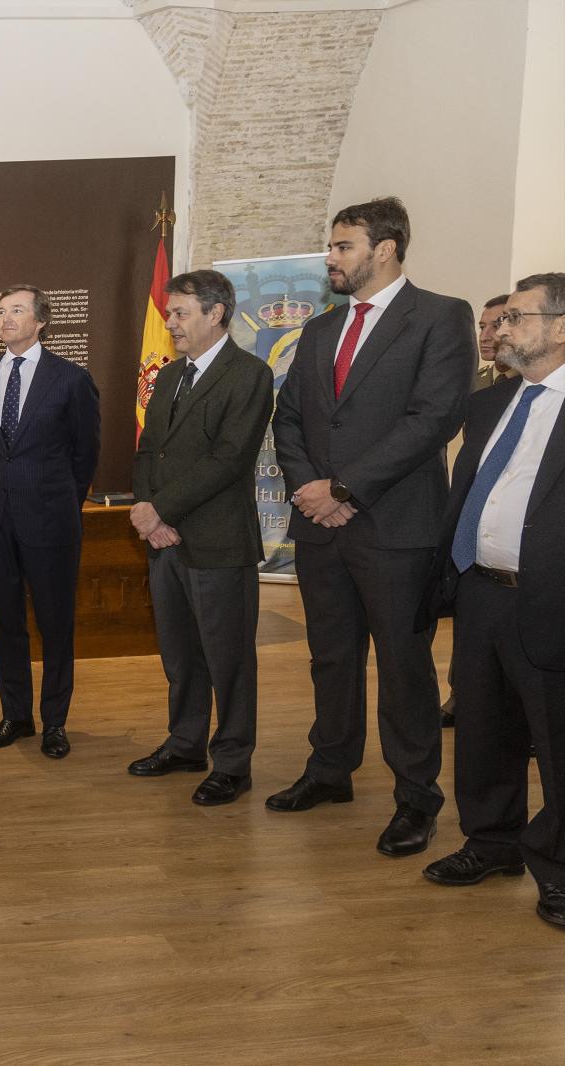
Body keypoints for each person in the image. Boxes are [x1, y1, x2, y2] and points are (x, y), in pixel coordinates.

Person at [267, 197, 476, 858]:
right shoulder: (324, 329)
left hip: (394, 525)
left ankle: (417, 799)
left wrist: (345, 489)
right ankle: (330, 771)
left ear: (384, 248)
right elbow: (290, 417)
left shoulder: (440, 317)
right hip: (323, 527)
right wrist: (310, 491)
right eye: (332, 247)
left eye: (342, 246)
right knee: (331, 658)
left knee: (402, 666)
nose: (330, 257)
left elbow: (434, 417)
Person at [416, 272, 565, 929]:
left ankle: (558, 871)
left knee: (555, 743)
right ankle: (491, 842)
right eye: (501, 320)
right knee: (482, 730)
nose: (502, 330)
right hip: (480, 591)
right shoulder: (490, 404)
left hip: (550, 600)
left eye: (519, 318)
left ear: (561, 327)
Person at [128, 270, 274, 805]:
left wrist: (160, 508)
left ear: (216, 314)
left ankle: (233, 762)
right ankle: (185, 742)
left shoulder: (249, 375)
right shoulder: (168, 377)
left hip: (218, 543)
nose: (170, 323)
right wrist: (149, 512)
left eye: (180, 313)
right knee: (181, 655)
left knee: (228, 658)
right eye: (168, 313)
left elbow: (229, 459)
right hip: (165, 540)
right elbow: (150, 452)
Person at [0, 285, 100, 759]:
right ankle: (16, 715)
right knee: (5, 623)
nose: (4, 318)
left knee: (55, 624)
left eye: (16, 311)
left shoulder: (70, 379)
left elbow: (85, 453)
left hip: (50, 521)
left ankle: (55, 723)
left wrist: (63, 500)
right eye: (0, 311)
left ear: (41, 321)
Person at [443, 293, 514, 727]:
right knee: (471, 618)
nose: (487, 336)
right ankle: (462, 696)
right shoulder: (480, 383)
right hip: (475, 518)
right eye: (483, 327)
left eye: (498, 325)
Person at [475, 295, 517, 391]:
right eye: (482, 327)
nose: (483, 338)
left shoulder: (533, 381)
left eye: (496, 326)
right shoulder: (472, 382)